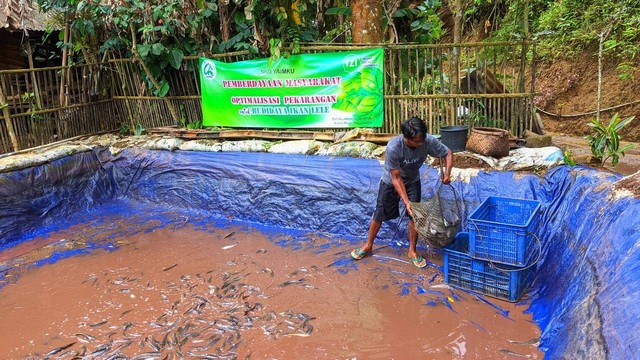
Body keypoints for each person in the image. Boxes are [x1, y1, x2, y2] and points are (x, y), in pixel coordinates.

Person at [350, 117, 453, 268]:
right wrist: (406, 202)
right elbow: (396, 178)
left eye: (422, 139)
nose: (420, 143)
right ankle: (368, 245)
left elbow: (448, 153)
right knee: (380, 212)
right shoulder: (394, 147)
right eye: (417, 141)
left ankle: (412, 250)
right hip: (391, 182)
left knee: (414, 216)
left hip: (412, 180)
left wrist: (447, 174)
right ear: (406, 138)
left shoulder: (427, 140)